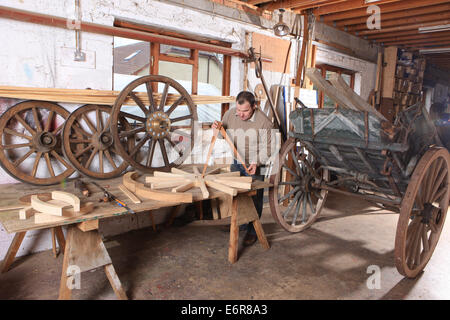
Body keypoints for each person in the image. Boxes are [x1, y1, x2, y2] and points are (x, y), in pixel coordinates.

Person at [212, 91, 274, 246]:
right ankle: (241, 224)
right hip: (236, 161)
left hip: (255, 164)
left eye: (245, 111)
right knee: (236, 196)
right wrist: (216, 129)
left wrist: (257, 162)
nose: (241, 114)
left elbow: (270, 148)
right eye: (239, 110)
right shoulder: (231, 114)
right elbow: (221, 135)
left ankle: (253, 231)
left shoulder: (264, 122)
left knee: (254, 198)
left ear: (254, 106)